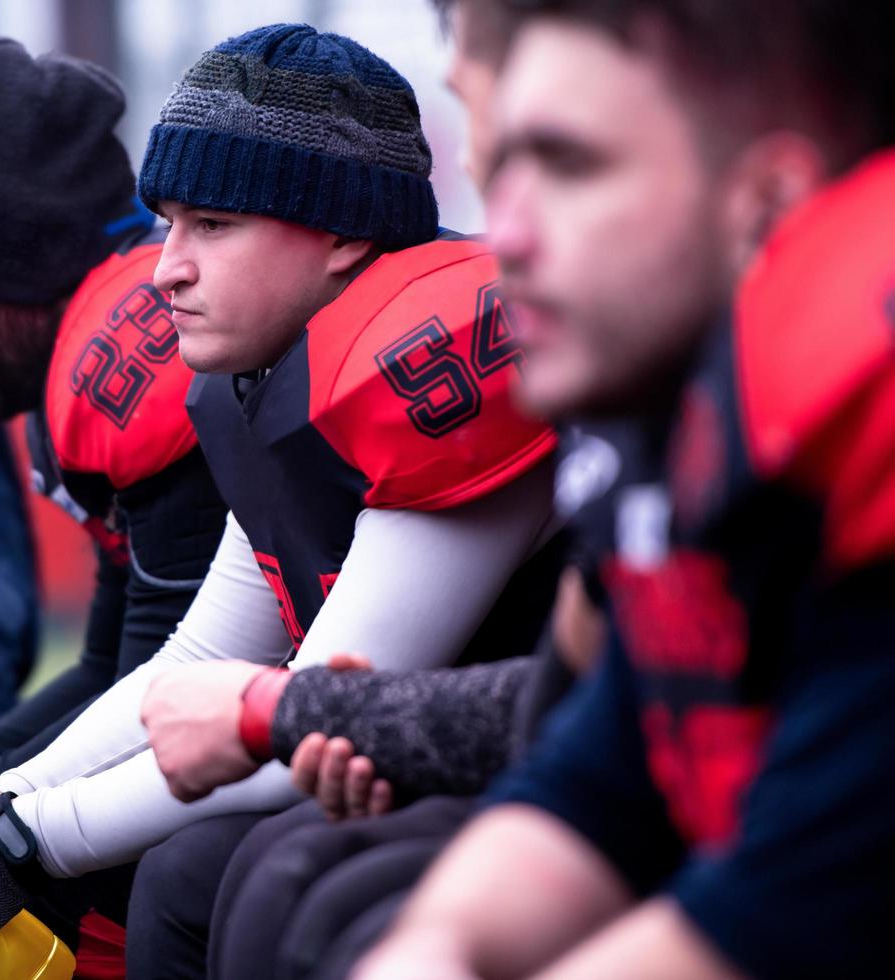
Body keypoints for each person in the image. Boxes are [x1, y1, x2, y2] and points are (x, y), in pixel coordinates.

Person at [0, 23, 561, 976]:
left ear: (341, 231)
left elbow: (328, 703)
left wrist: (21, 843)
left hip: (568, 765)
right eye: (169, 222)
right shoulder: (249, 384)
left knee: (235, 876)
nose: (168, 263)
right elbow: (206, 656)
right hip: (419, 763)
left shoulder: (419, 364)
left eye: (212, 225)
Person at [353, 2, 895, 978]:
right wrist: (436, 940)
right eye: (505, 160)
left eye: (568, 165)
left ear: (767, 204)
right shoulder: (678, 403)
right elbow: (604, 777)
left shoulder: (855, 415)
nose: (503, 232)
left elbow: (779, 918)